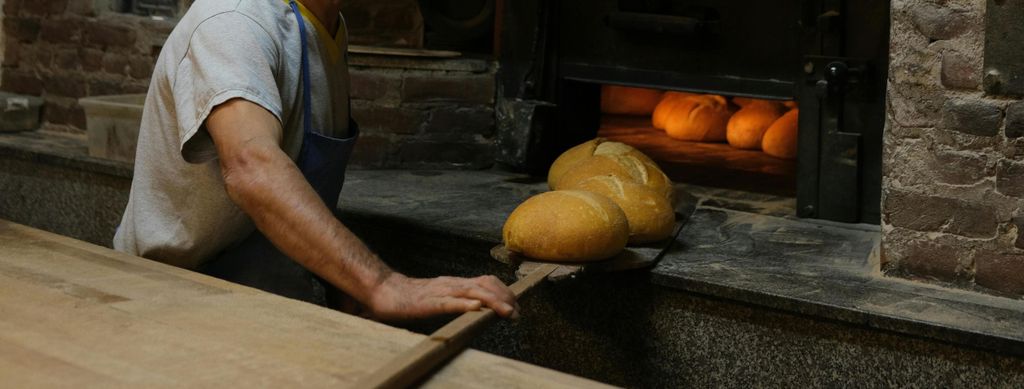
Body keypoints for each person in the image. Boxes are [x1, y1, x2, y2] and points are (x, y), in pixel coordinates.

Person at [113, 0, 519, 321]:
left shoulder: (325, 26)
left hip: (259, 297)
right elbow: (252, 167)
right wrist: (381, 284)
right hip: (170, 298)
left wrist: (342, 275)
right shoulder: (234, 19)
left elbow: (299, 180)